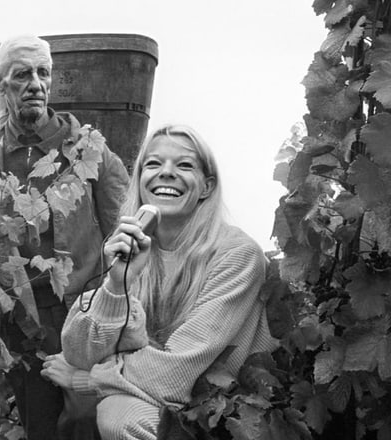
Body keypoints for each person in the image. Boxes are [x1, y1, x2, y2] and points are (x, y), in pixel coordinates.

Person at [0, 34, 129, 440]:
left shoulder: (89, 150)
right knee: (41, 428)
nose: (37, 84)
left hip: (87, 314)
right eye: (23, 74)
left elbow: (124, 224)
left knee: (94, 424)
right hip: (24, 322)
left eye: (44, 73)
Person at [41, 124, 277, 440]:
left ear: (206, 187)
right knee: (109, 412)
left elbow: (177, 373)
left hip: (228, 412)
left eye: (184, 165)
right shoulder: (135, 247)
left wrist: (90, 379)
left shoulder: (237, 255)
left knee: (120, 419)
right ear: (140, 181)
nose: (166, 173)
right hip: (163, 400)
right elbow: (78, 352)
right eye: (153, 164)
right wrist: (117, 283)